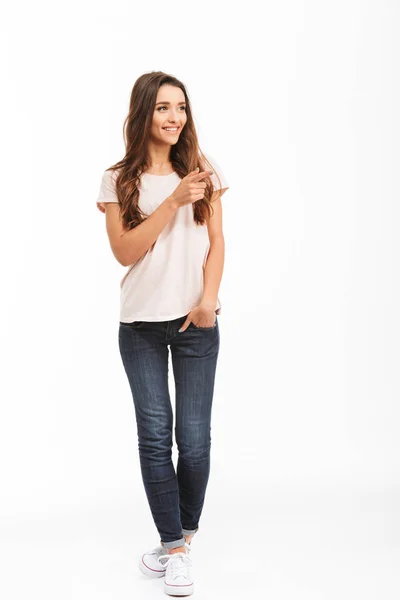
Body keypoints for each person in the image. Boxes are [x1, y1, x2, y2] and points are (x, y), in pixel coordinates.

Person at [95, 71, 229, 596]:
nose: (175, 118)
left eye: (181, 108)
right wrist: (172, 200)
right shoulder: (116, 179)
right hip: (140, 328)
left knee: (193, 442)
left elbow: (217, 241)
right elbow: (124, 253)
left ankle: (182, 539)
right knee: (155, 439)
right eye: (163, 108)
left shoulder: (205, 170)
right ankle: (173, 549)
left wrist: (208, 302)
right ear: (144, 112)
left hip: (197, 323)